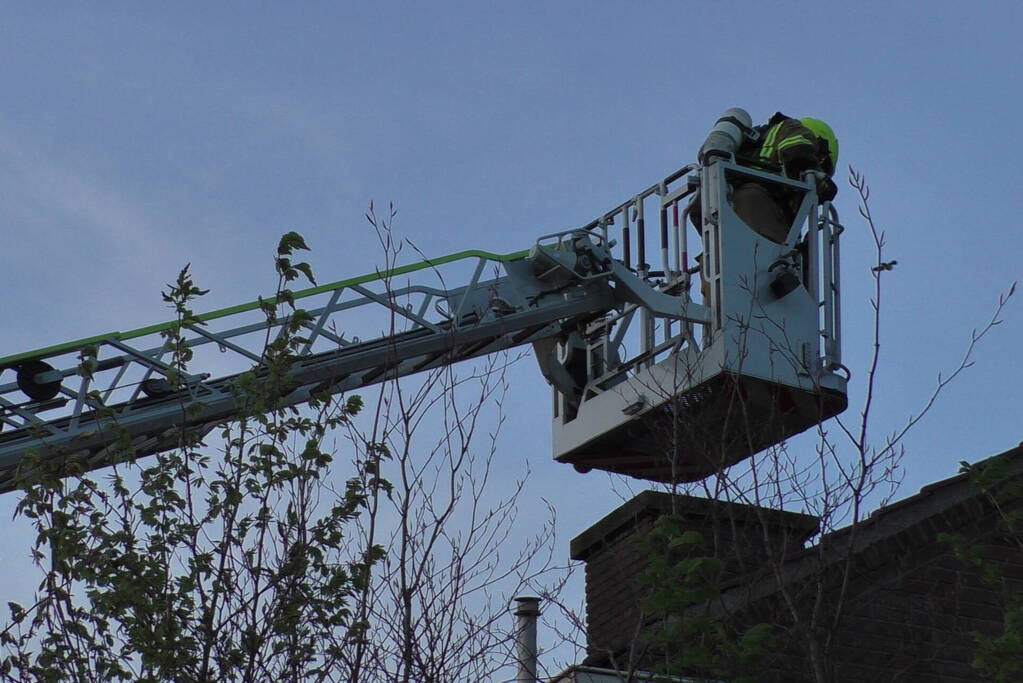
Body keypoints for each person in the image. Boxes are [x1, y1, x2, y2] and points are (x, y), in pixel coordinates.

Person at [726, 112, 839, 244]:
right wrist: (824, 186)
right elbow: (798, 154)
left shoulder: (757, 140)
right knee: (770, 257)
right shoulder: (794, 129)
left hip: (727, 204)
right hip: (759, 203)